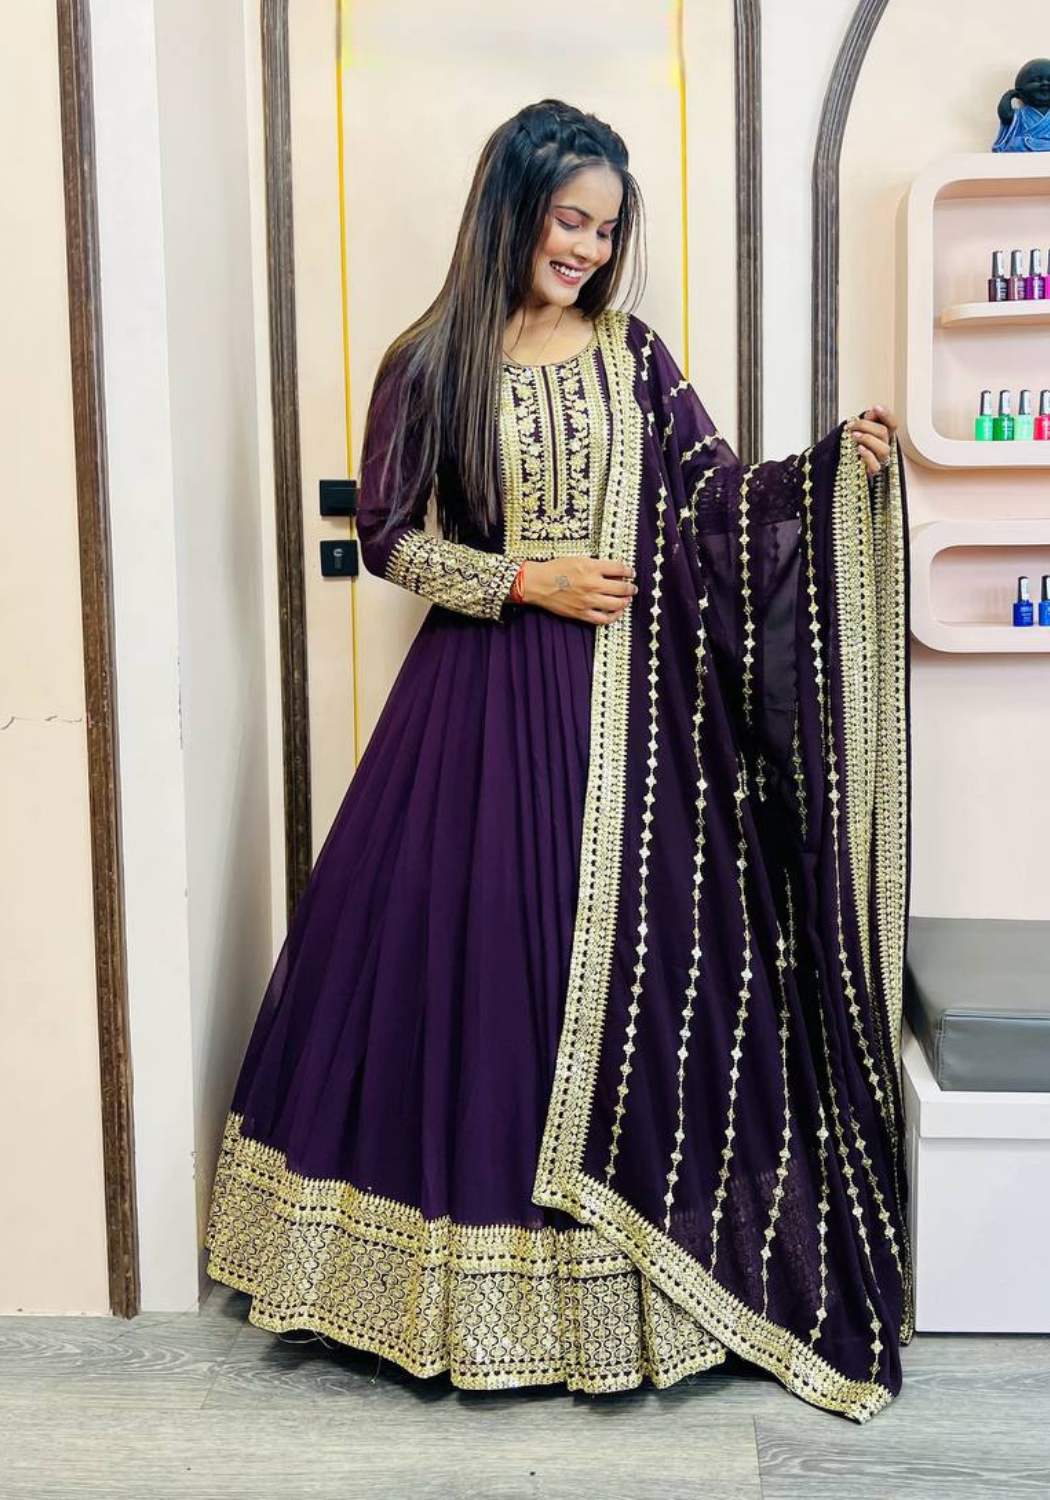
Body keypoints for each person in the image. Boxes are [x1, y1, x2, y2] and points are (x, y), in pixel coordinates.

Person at [204, 98, 913, 1424]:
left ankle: (631, 1281)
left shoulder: (631, 355)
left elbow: (714, 497)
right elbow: (390, 537)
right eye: (568, 219)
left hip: (632, 724)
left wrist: (826, 474)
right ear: (511, 209)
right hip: (473, 712)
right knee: (477, 960)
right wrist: (525, 578)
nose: (585, 247)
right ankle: (444, 1288)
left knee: (629, 972)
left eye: (604, 228)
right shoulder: (430, 360)